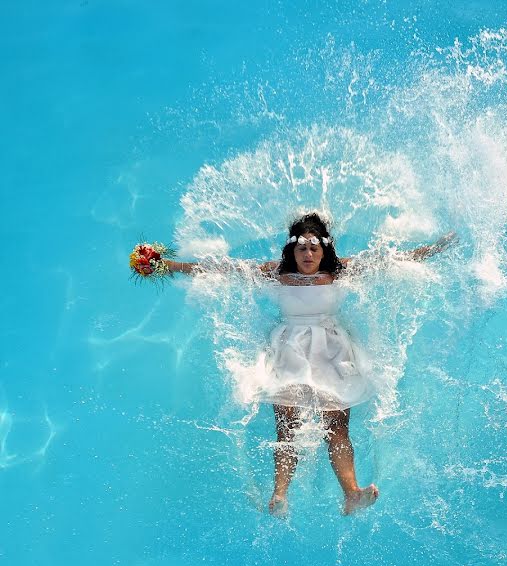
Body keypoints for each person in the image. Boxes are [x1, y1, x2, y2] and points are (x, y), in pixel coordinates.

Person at [165, 213, 453, 516]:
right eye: (302, 249)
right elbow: (222, 270)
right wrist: (167, 266)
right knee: (286, 427)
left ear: (324, 250)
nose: (308, 255)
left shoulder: (340, 271)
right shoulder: (276, 273)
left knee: (337, 427)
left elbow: (393, 261)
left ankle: (352, 493)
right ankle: (279, 496)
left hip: (332, 351)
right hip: (289, 350)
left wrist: (435, 248)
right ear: (292, 251)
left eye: (314, 248)